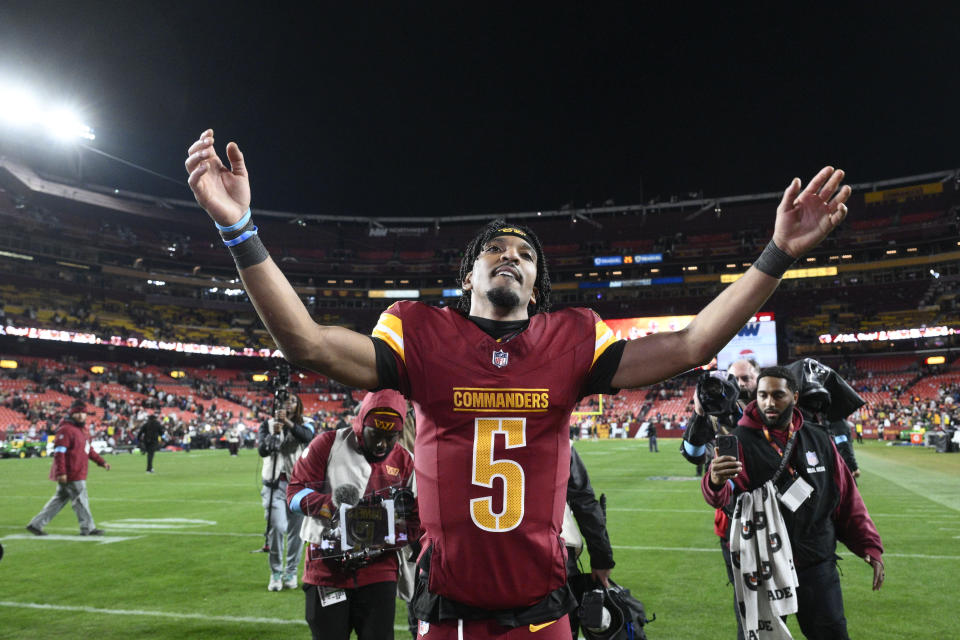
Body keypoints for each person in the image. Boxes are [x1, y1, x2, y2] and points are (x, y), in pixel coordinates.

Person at [185, 129, 850, 638]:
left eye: (526, 256)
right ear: (468, 277)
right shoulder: (418, 331)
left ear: (536, 292)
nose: (511, 256)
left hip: (544, 617)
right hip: (447, 617)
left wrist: (778, 254)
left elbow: (694, 343)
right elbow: (305, 343)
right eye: (495, 251)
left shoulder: (572, 337)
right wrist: (236, 227)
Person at [704, 367, 884, 639]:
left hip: (816, 562)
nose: (769, 402)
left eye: (778, 395)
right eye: (763, 395)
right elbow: (725, 496)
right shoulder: (739, 441)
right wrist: (715, 481)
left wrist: (868, 544)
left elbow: (846, 497)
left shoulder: (819, 438)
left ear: (795, 397)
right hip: (762, 568)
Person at [287, 389, 416, 640]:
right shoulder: (327, 444)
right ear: (360, 423)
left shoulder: (405, 460)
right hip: (326, 569)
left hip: (379, 571)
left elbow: (415, 521)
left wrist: (381, 539)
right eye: (375, 434)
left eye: (391, 437)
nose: (382, 444)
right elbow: (294, 494)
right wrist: (332, 508)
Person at [680, 357, 759, 639]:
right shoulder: (715, 419)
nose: (739, 385)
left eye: (745, 379)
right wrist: (700, 412)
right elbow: (693, 454)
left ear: (757, 378)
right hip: (734, 528)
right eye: (734, 379)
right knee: (748, 611)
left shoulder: (769, 414)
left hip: (778, 526)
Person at [26, 400, 111, 536]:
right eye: (77, 413)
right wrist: (61, 472)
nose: (81, 416)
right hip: (71, 472)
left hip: (75, 472)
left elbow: (88, 450)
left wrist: (102, 462)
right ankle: (87, 528)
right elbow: (59, 453)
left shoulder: (81, 431)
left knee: (59, 500)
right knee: (81, 500)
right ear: (72, 414)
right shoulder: (66, 430)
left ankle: (35, 524)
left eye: (83, 413)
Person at [258, 391, 315, 591]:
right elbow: (262, 450)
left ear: (298, 405)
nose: (288, 404)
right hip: (274, 484)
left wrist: (289, 424)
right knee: (277, 526)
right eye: (285, 401)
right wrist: (271, 437)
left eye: (292, 401)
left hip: (298, 484)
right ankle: (275, 572)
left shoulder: (306, 422)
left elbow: (307, 436)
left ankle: (290, 571)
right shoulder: (267, 425)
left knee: (296, 532)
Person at [562, 446, 615, 639]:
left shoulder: (465, 429)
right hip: (553, 556)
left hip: (479, 558)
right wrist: (602, 559)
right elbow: (583, 501)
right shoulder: (552, 430)